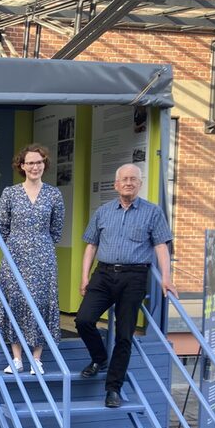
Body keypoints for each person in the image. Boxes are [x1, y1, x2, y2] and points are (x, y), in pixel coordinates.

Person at [75, 163, 177, 409]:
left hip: (134, 277)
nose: (129, 182)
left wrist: (166, 277)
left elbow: (161, 245)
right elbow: (91, 245)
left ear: (140, 184)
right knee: (83, 320)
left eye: (133, 179)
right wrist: (84, 276)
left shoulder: (152, 212)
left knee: (124, 334)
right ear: (116, 185)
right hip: (104, 274)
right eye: (124, 179)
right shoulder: (103, 212)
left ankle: (113, 388)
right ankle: (99, 358)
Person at [0, 144, 65, 375]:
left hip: (43, 256)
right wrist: (18, 244)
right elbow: (2, 226)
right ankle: (17, 358)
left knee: (41, 302)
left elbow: (57, 229)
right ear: (22, 166)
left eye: (39, 162)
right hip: (15, 254)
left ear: (45, 164)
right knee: (16, 301)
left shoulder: (54, 194)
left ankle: (37, 358)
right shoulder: (10, 193)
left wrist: (39, 245)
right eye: (30, 163)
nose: (35, 167)